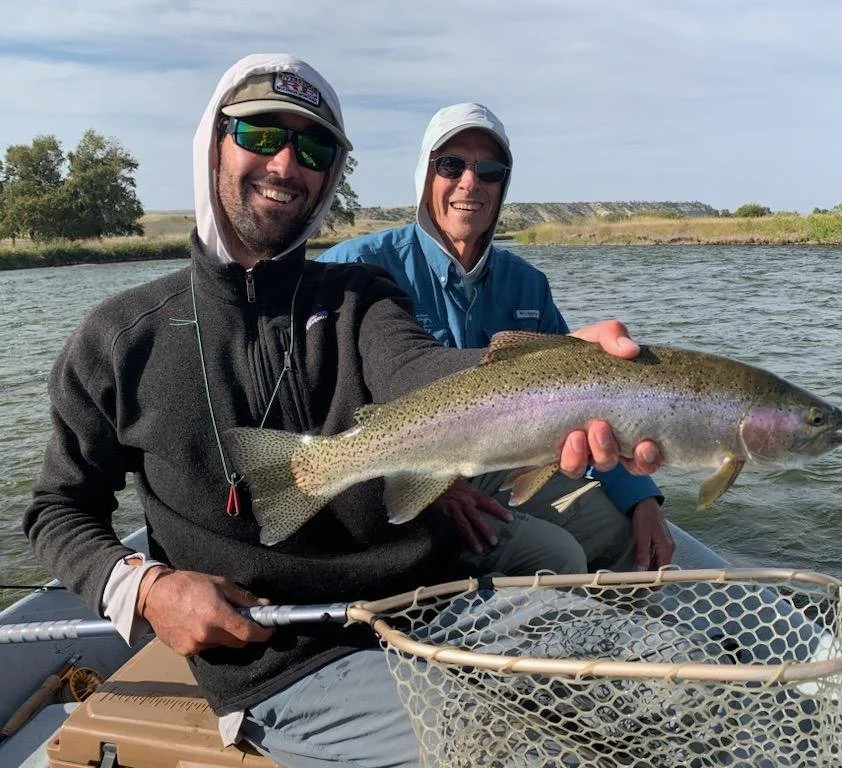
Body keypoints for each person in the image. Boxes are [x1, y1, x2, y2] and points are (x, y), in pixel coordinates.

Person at [22, 54, 661, 767]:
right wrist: (148, 588)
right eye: (262, 134)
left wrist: (559, 369)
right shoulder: (119, 339)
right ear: (212, 143)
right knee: (538, 756)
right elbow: (57, 509)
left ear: (329, 178)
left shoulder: (363, 296)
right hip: (291, 661)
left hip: (445, 600)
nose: (286, 163)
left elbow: (423, 373)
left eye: (315, 147)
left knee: (656, 685)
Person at [319, 102, 676, 574]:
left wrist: (643, 500)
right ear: (425, 176)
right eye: (451, 164)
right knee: (559, 556)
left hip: (505, 467)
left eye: (488, 170)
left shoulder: (528, 283)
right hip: (393, 468)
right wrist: (434, 480)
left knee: (636, 549)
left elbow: (588, 400)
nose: (470, 181)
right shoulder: (354, 268)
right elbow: (315, 391)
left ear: (502, 186)